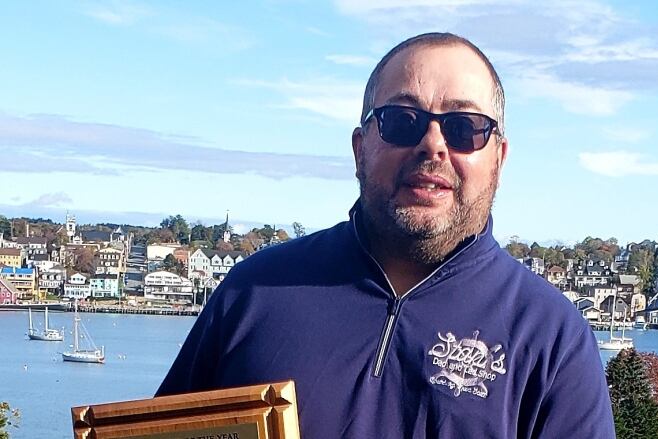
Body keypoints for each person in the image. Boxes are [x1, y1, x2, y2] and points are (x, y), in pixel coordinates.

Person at [157, 32, 615, 438]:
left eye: (464, 129)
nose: (432, 145)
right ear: (360, 149)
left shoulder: (552, 337)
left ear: (498, 158)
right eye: (401, 120)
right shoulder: (253, 291)